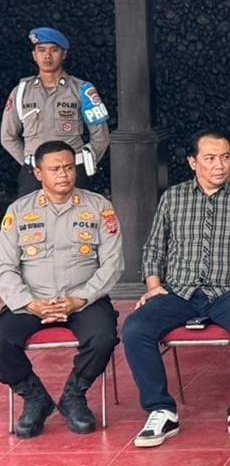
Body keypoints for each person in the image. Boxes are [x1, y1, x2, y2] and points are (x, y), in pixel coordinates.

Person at [122, 130, 230, 448]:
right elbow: (154, 247)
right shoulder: (173, 197)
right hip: (178, 292)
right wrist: (153, 286)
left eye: (225, 157)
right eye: (210, 158)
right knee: (135, 329)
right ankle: (161, 410)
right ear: (193, 162)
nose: (220, 165)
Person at [0, 141, 123, 438]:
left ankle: (74, 395)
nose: (63, 174)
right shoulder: (19, 211)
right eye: (54, 169)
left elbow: (113, 263)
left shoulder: (99, 207)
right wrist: (28, 302)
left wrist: (80, 298)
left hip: (84, 299)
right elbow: (5, 266)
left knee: (103, 337)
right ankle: (34, 397)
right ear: (38, 173)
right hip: (33, 301)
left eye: (68, 167)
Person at [1, 28, 110, 195]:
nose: (47, 56)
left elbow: (101, 137)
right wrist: (30, 163)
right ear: (34, 55)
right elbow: (7, 136)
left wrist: (83, 163)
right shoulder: (21, 92)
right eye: (41, 50)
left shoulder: (82, 89)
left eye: (54, 50)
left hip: (72, 173)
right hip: (34, 175)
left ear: (64, 54)